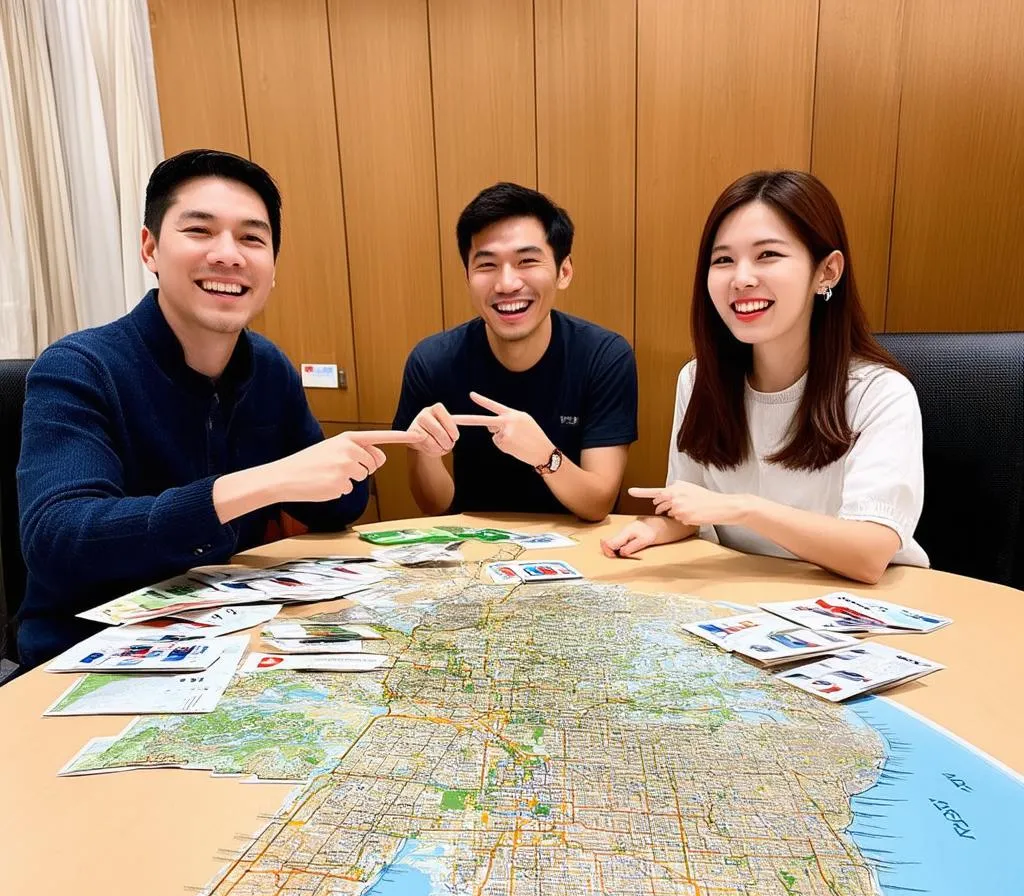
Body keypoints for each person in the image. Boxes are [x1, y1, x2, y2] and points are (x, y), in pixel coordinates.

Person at [17, 149, 419, 668]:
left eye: (252, 238)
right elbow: (59, 537)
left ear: (272, 268)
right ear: (150, 249)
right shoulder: (79, 366)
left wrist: (348, 466)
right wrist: (265, 482)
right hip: (87, 658)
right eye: (200, 231)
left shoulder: (267, 366)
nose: (228, 255)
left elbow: (334, 509)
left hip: (230, 643)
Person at [603, 169, 928, 583]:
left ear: (827, 272)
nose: (741, 278)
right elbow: (693, 508)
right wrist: (656, 528)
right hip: (743, 601)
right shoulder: (699, 379)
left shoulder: (879, 393)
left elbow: (869, 554)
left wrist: (744, 508)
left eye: (767, 255)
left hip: (860, 610)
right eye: (723, 260)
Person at [392, 182, 638, 521]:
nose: (507, 284)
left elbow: (598, 503)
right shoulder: (434, 361)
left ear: (563, 272)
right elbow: (435, 506)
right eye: (487, 265)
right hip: (474, 547)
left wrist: (543, 455)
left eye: (527, 261)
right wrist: (423, 452)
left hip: (579, 547)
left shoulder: (603, 356)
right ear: (467, 274)